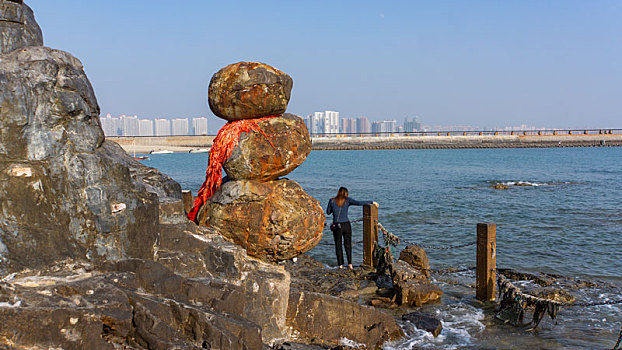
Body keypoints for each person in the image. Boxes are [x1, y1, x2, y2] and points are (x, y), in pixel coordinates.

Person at [326, 187, 378, 270]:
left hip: (337, 226)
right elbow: (359, 203)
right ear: (346, 193)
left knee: (338, 245)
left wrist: (334, 208)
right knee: (348, 245)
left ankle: (340, 265)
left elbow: (328, 212)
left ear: (338, 192)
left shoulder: (332, 201)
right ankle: (350, 264)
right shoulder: (347, 200)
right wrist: (372, 202)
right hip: (346, 225)